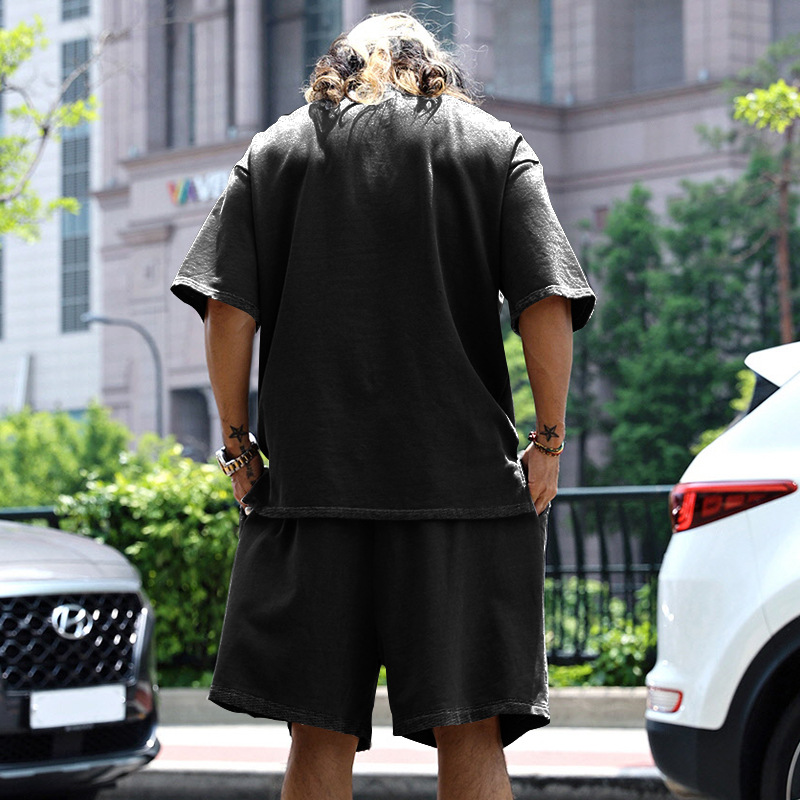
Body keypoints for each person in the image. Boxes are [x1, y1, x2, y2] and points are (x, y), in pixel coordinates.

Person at [171, 12, 595, 800]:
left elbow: (228, 308)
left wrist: (237, 445)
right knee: (472, 729)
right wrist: (548, 441)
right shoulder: (492, 145)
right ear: (431, 66)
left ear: (340, 64)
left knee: (317, 733)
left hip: (314, 491)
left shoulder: (277, 150)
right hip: (461, 493)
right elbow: (547, 300)